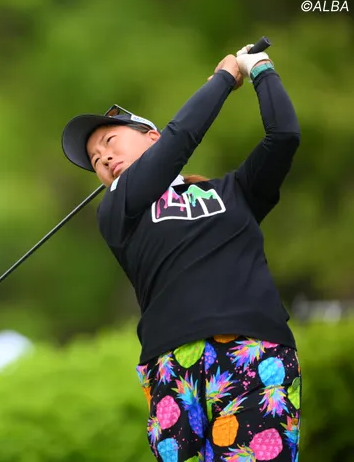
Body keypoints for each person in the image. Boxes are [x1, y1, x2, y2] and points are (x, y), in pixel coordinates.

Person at [60, 44, 302, 461]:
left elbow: (283, 137)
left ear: (151, 137)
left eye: (111, 141)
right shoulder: (117, 210)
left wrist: (259, 69)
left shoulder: (235, 192)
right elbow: (178, 142)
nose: (105, 158)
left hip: (256, 351)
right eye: (96, 160)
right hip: (172, 364)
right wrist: (222, 80)